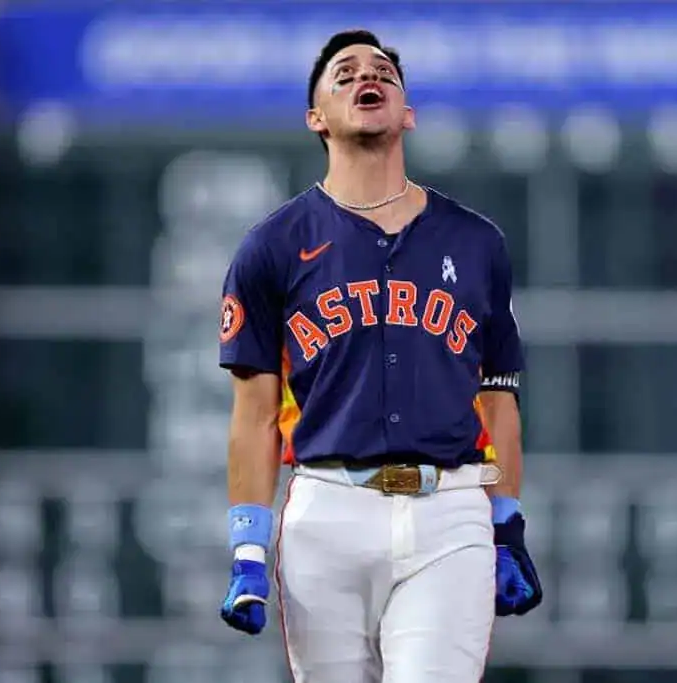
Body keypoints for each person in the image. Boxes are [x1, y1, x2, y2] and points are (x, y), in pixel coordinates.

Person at [217, 29, 542, 683]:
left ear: (408, 112)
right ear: (317, 118)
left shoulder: (476, 242)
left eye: (384, 71)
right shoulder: (272, 247)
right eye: (344, 72)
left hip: (449, 509)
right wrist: (247, 542)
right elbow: (254, 414)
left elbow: (498, 398)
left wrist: (506, 522)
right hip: (327, 506)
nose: (367, 74)